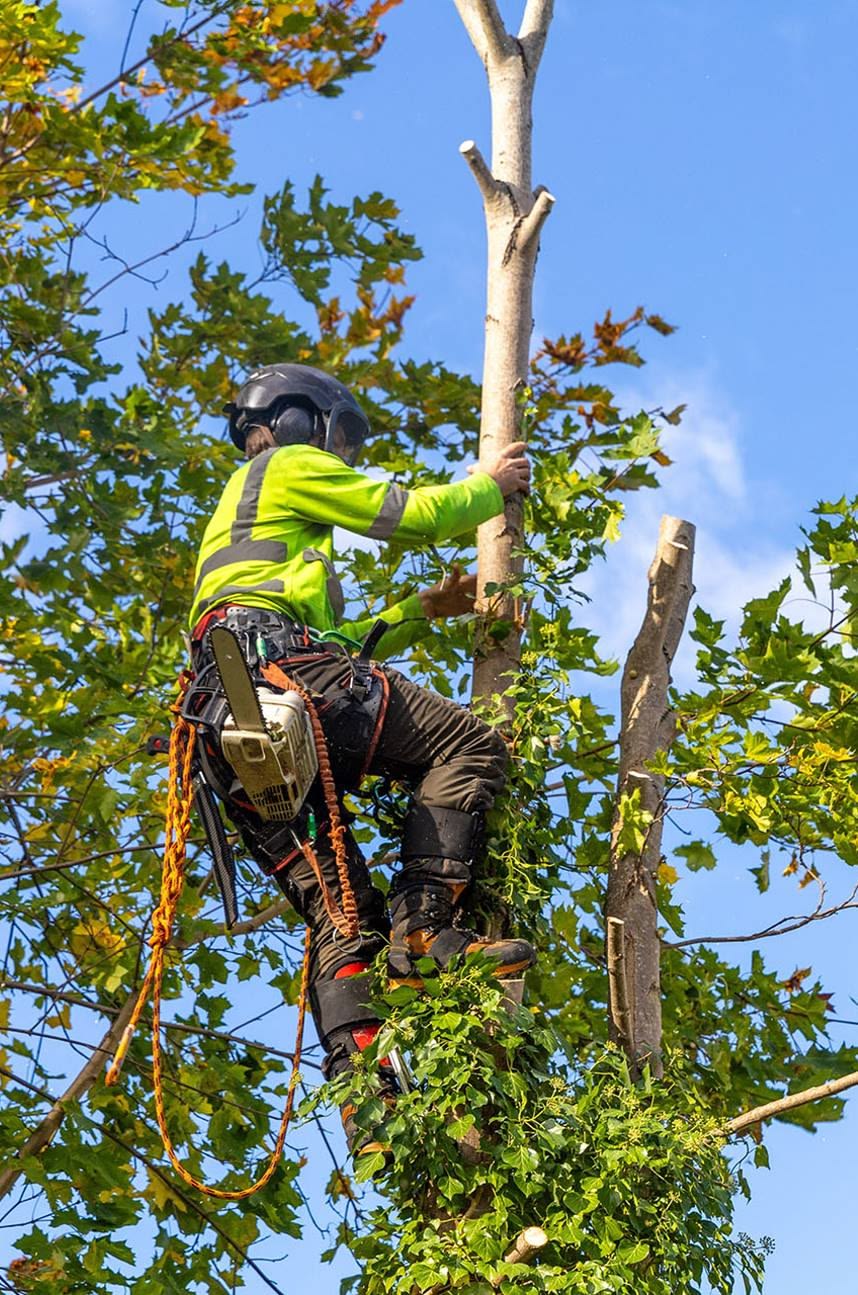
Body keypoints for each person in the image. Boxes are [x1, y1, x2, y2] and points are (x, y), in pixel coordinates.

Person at [186, 362, 535, 1155]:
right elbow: (410, 516)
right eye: (335, 437)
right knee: (466, 742)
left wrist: (418, 610)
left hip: (231, 715)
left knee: (339, 911)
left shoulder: (239, 533)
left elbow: (337, 646)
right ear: (299, 421)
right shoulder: (281, 463)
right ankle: (426, 932)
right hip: (285, 679)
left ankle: (362, 1099)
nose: (338, 454)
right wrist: (490, 483)